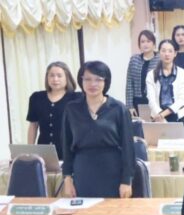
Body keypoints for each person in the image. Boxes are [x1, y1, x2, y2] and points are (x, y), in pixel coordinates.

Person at [61, 61, 134, 199]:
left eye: (98, 79)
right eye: (87, 79)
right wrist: (67, 178)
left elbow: (128, 147)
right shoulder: (71, 109)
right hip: (83, 171)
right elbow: (66, 146)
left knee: (111, 211)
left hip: (112, 170)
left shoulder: (118, 109)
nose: (92, 84)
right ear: (81, 81)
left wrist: (126, 180)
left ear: (106, 81)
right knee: (84, 211)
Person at [26, 62, 80, 160]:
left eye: (59, 76)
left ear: (67, 77)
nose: (55, 79)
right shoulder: (36, 97)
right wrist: (30, 151)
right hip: (44, 151)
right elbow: (33, 126)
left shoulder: (77, 98)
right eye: (51, 75)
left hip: (69, 151)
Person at [146, 40, 184, 123]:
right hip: (157, 117)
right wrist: (160, 115)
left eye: (170, 51)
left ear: (175, 53)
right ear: (159, 53)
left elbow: (181, 100)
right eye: (163, 51)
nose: (167, 54)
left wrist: (163, 115)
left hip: (178, 116)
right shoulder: (151, 74)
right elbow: (151, 99)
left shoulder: (183, 73)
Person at [126, 30, 158, 113]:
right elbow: (129, 84)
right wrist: (129, 106)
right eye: (142, 42)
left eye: (148, 41)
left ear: (154, 44)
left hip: (155, 101)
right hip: (137, 101)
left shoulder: (159, 59)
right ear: (139, 45)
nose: (145, 44)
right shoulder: (134, 59)